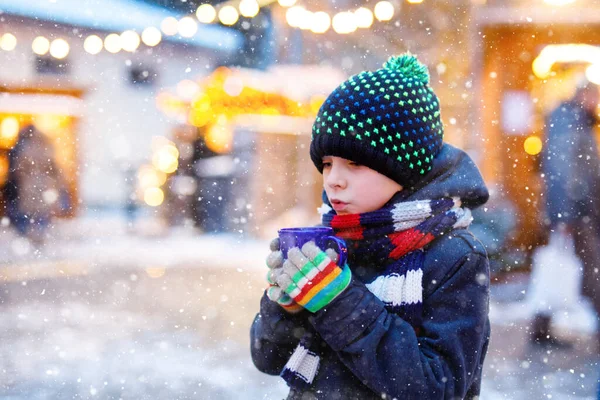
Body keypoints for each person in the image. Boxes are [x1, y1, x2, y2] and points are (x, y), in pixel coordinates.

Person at [250, 54, 491, 399]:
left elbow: (438, 386)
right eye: (327, 163)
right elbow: (268, 359)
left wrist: (336, 301)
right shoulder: (334, 241)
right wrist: (285, 308)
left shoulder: (454, 256)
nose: (333, 180)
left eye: (354, 163)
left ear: (402, 168)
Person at [532, 79, 600, 347]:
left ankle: (540, 328)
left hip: (580, 209)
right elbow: (561, 169)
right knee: (587, 267)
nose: (595, 103)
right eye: (593, 96)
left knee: (568, 267)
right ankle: (541, 329)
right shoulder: (568, 119)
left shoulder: (579, 120)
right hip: (575, 211)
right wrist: (564, 216)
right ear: (583, 95)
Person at [3, 124, 64, 245]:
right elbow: (54, 168)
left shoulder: (23, 147)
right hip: (44, 185)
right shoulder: (47, 146)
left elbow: (18, 168)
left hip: (28, 186)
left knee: (27, 212)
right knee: (41, 212)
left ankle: (27, 238)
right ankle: (38, 237)